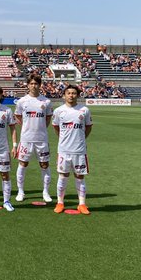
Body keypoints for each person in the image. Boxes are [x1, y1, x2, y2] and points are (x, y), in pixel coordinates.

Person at [52, 84, 93, 215]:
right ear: (64, 95)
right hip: (64, 150)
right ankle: (60, 203)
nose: (71, 95)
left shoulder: (84, 110)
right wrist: (64, 139)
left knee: (80, 176)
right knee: (63, 176)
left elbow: (88, 127)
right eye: (68, 93)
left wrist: (81, 139)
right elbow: (56, 127)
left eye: (74, 93)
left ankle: (82, 204)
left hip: (79, 150)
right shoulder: (58, 111)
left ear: (78, 95)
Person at [13, 73, 53, 203]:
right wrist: (27, 126)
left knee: (44, 165)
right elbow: (18, 116)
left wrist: (40, 128)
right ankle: (20, 191)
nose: (34, 86)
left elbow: (48, 118)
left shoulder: (46, 101)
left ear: (40, 85)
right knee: (23, 164)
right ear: (28, 85)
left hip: (41, 139)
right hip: (26, 139)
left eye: (36, 83)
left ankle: (45, 192)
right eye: (31, 83)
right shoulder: (22, 101)